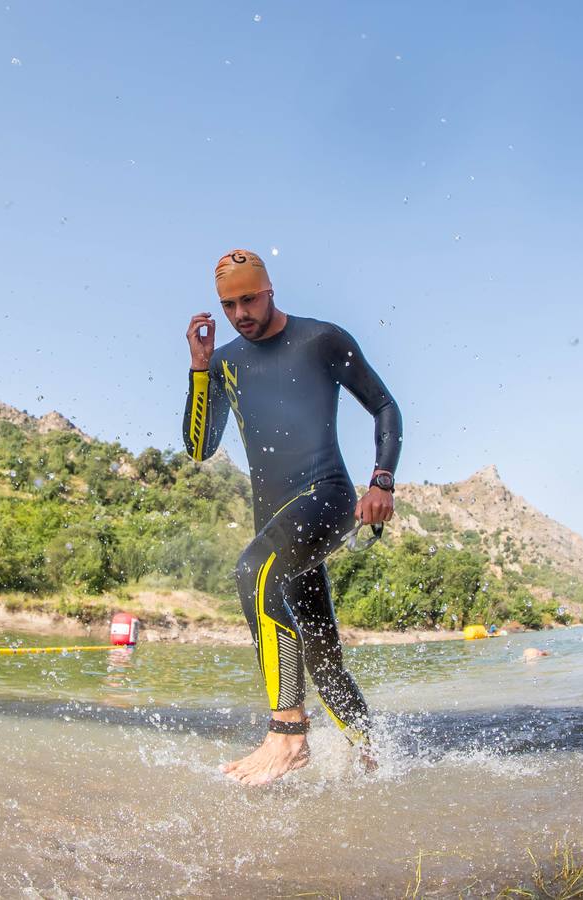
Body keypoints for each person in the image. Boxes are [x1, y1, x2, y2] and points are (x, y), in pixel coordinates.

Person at [181, 249, 402, 785]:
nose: (239, 314)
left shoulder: (321, 340)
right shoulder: (227, 362)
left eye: (248, 299)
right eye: (228, 304)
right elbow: (198, 447)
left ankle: (287, 731)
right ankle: (378, 764)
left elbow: (384, 406)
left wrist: (381, 481)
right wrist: (200, 369)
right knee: (324, 659)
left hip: (326, 497)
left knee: (252, 571)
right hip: (275, 520)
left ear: (270, 288)